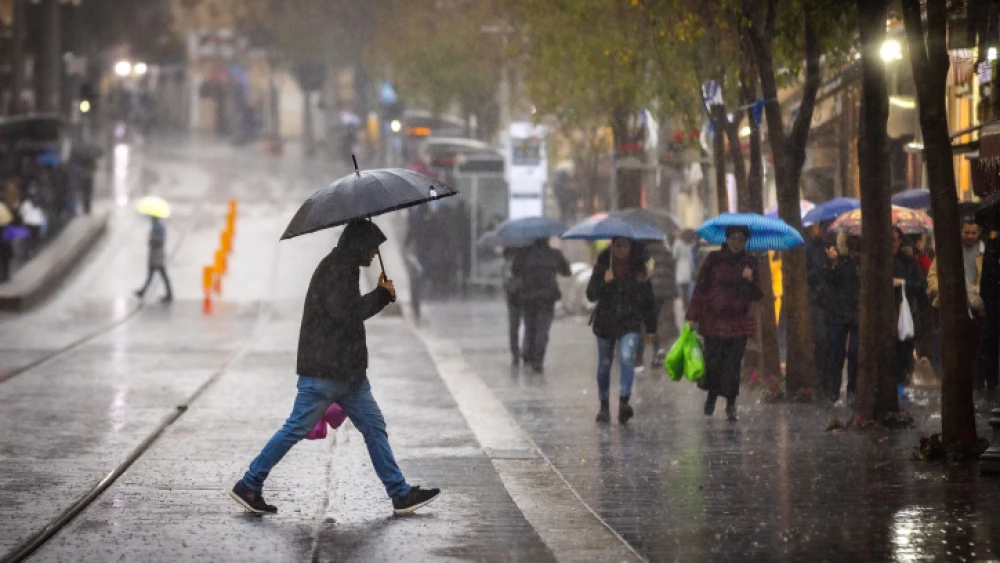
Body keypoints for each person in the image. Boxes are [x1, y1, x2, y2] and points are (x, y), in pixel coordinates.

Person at [232, 220, 441, 515]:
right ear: (358, 245)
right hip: (326, 370)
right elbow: (346, 313)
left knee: (374, 427)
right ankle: (249, 483)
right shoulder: (336, 269)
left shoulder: (345, 266)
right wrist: (381, 295)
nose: (372, 255)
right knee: (295, 428)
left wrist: (380, 295)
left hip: (347, 374)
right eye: (371, 248)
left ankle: (400, 494)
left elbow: (346, 312)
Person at [686, 226, 764, 421]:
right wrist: (691, 316)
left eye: (741, 239)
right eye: (734, 238)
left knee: (733, 365)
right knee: (713, 363)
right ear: (727, 239)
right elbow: (701, 288)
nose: (737, 242)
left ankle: (731, 404)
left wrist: (750, 280)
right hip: (713, 320)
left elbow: (757, 295)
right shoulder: (713, 259)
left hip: (738, 322)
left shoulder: (750, 263)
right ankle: (712, 395)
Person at [586, 237, 656, 424]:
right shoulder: (603, 263)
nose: (621, 249)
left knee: (626, 357)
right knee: (604, 366)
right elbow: (591, 294)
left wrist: (651, 327)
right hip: (605, 323)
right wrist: (604, 282)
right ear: (612, 246)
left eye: (625, 245)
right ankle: (604, 405)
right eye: (617, 245)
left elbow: (648, 299)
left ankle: (624, 402)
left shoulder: (638, 267)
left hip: (629, 322)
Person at [928, 218, 988, 390]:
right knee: (950, 346)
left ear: (979, 233)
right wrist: (942, 291)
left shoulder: (985, 252)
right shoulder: (948, 250)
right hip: (950, 304)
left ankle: (973, 382)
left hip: (977, 307)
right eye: (966, 232)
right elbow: (933, 275)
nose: (970, 236)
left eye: (973, 233)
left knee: (975, 347)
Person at [513, 238, 571, 372]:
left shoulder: (524, 254)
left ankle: (528, 352)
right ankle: (537, 359)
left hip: (528, 296)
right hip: (547, 298)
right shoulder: (554, 254)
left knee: (530, 326)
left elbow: (515, 270)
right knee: (542, 329)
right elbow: (566, 272)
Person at [822, 234, 861, 404]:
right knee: (836, 354)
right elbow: (829, 280)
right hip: (838, 313)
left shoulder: (862, 260)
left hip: (857, 313)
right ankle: (834, 391)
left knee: (855, 353)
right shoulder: (838, 257)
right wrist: (833, 264)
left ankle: (852, 389)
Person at [892, 228, 928, 398]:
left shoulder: (908, 261)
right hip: (886, 316)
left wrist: (903, 283)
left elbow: (921, 285)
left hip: (904, 315)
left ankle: (902, 386)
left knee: (904, 352)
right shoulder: (876, 261)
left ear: (900, 241)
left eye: (895, 240)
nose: (892, 244)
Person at [636, 239, 679, 369]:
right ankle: (656, 353)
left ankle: (639, 359)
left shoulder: (643, 252)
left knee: (643, 324)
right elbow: (672, 270)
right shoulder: (666, 251)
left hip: (647, 291)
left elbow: (640, 271)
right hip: (664, 291)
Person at [134, 217, 173, 303]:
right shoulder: (155, 227)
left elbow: (160, 241)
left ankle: (169, 294)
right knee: (155, 275)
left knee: (160, 275)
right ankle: (143, 291)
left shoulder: (159, 228)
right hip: (154, 256)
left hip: (157, 256)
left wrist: (151, 238)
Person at [503, 247, 525, 367]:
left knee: (514, 326)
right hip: (522, 295)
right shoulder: (525, 257)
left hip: (513, 298)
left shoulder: (507, 263)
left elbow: (506, 282)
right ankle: (520, 352)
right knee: (524, 324)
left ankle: (516, 353)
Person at [673, 229, 696, 307]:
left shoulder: (678, 243)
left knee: (683, 289)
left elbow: (674, 255)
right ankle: (689, 303)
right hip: (689, 266)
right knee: (688, 287)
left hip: (680, 266)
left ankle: (685, 305)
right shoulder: (692, 244)